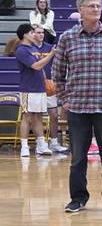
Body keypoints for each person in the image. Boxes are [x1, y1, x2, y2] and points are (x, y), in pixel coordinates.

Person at [53, 0, 102, 213]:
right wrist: (64, 100)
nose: (96, 9)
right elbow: (57, 75)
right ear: (80, 10)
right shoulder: (67, 38)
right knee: (78, 159)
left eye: (98, 6)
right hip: (77, 107)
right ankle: (78, 198)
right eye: (92, 6)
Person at [15, 23, 55, 157]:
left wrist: (45, 82)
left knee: (38, 117)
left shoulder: (32, 49)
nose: (34, 35)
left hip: (39, 88)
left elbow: (41, 70)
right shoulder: (21, 50)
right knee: (27, 117)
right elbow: (37, 66)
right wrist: (51, 54)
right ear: (25, 34)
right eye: (32, 33)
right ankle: (24, 146)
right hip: (28, 89)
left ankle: (41, 145)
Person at [31, 25, 67, 154]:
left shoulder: (49, 47)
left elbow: (57, 64)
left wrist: (56, 81)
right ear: (32, 34)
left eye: (42, 32)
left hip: (49, 85)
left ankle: (54, 142)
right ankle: (40, 143)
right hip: (34, 86)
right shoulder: (29, 48)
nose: (40, 35)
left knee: (54, 115)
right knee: (37, 116)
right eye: (38, 32)